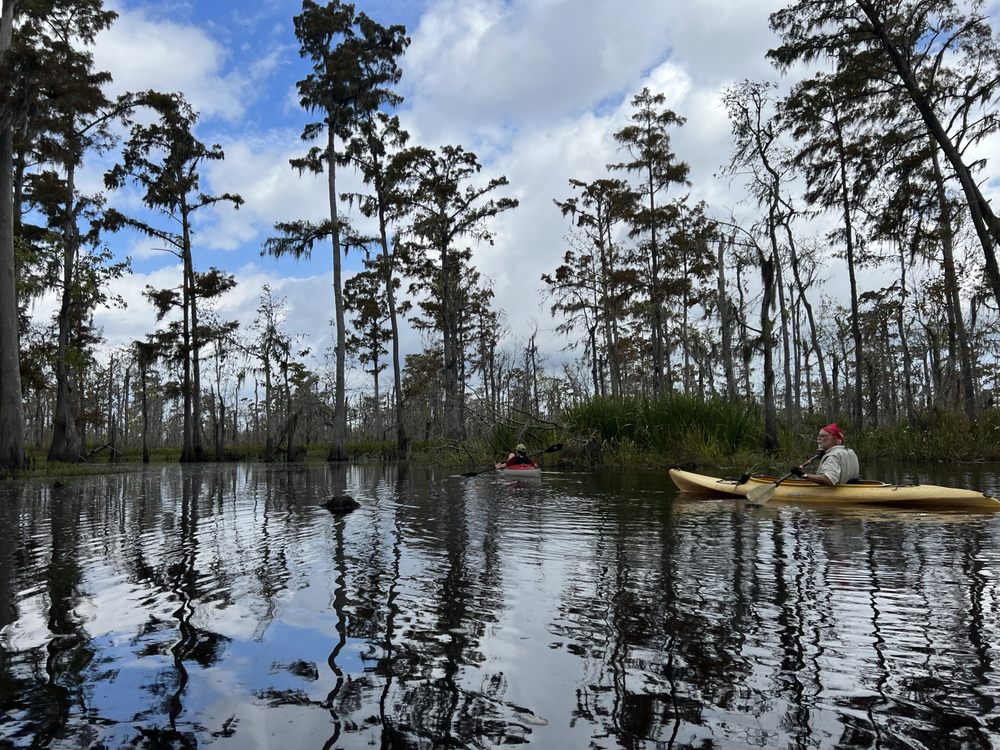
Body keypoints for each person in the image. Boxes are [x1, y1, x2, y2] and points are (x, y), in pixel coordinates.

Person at [791, 423, 860, 485]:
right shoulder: (850, 452)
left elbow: (829, 480)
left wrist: (803, 475)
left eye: (823, 436)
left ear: (834, 439)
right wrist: (826, 454)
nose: (818, 439)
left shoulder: (832, 456)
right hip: (848, 489)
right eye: (818, 436)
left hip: (832, 492)